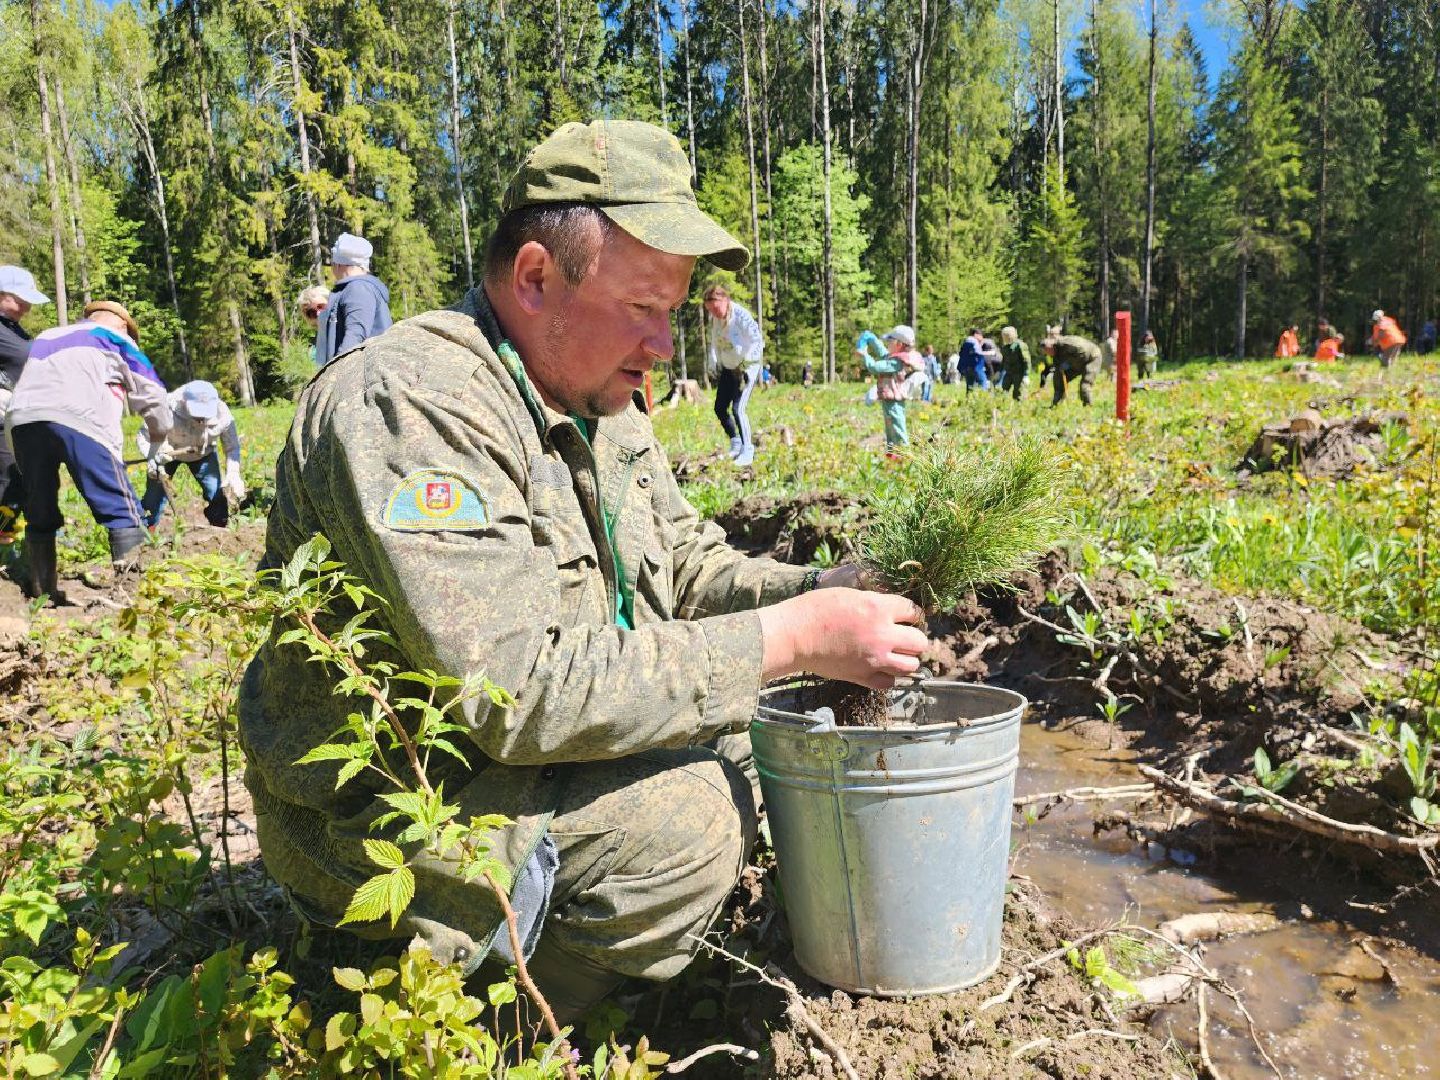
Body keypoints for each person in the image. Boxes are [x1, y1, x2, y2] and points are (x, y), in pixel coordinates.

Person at [238, 119, 928, 1026]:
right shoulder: (411, 403)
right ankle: (492, 1026)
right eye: (644, 307)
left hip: (511, 767)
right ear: (534, 278)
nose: (665, 344)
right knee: (692, 821)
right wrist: (795, 642)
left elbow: (683, 566)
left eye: (674, 312)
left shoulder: (603, 396)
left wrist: (821, 598)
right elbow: (516, 691)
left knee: (749, 743)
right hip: (388, 819)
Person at [8, 301, 171, 600]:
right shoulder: (116, 338)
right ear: (123, 325)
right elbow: (152, 392)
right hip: (82, 419)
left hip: (24, 419)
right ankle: (133, 597)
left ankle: (42, 592)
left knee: (39, 507)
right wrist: (158, 439)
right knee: (122, 507)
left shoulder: (47, 336)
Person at [138, 381, 245, 529]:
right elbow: (144, 436)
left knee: (216, 493)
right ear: (184, 401)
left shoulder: (223, 414)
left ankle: (220, 529)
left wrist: (233, 473)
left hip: (203, 454)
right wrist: (153, 456)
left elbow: (232, 447)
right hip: (166, 454)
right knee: (153, 497)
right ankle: (146, 532)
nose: (201, 418)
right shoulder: (165, 407)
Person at [0, 266, 52, 543]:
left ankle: (5, 535)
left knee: (16, 478)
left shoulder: (12, 328)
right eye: (19, 299)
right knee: (9, 479)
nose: (27, 306)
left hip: (15, 416)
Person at [703, 283, 764, 467]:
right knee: (720, 408)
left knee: (738, 409)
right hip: (728, 368)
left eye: (716, 308)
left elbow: (757, 340)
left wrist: (746, 365)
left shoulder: (741, 315)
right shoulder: (716, 319)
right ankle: (735, 442)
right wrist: (713, 361)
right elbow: (714, 340)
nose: (714, 313)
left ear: (725, 300)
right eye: (710, 310)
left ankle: (748, 450)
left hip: (746, 369)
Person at [314, 232, 392, 367]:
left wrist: (335, 373)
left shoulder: (358, 288)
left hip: (363, 377)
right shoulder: (358, 287)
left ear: (338, 264)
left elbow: (355, 336)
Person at [1040, 329, 1102, 406]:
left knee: (1085, 385)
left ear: (1051, 346)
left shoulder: (1066, 344)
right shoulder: (1055, 354)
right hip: (1077, 362)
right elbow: (1057, 367)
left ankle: (1088, 407)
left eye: (1047, 350)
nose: (1048, 353)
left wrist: (1067, 364)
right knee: (1058, 378)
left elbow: (1082, 352)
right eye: (1045, 352)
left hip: (1092, 357)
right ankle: (1056, 405)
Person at [298, 285, 332, 366]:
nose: (318, 313)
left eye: (321, 306)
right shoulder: (314, 353)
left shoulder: (354, 330)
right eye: (312, 312)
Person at [998, 326, 1030, 402]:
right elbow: (1004, 360)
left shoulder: (1020, 345)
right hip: (1009, 373)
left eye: (1007, 335)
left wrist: (1026, 375)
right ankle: (1003, 407)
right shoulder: (1005, 347)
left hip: (1019, 373)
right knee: (1004, 389)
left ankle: (1019, 409)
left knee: (1018, 393)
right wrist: (999, 371)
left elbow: (1026, 360)